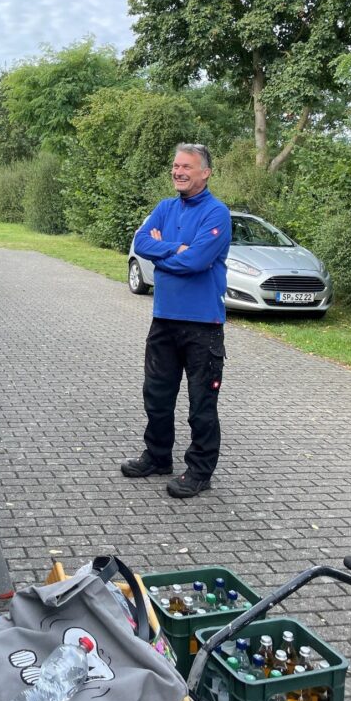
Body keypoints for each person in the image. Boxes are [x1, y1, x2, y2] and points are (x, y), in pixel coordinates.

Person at [121, 143, 231, 498]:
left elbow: (196, 262)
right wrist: (175, 249)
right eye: (175, 166)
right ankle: (157, 457)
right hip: (164, 321)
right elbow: (141, 243)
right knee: (156, 396)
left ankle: (199, 471)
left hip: (203, 327)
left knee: (201, 406)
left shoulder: (217, 213)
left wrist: (164, 250)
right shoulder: (165, 208)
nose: (178, 172)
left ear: (205, 172)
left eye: (186, 166)